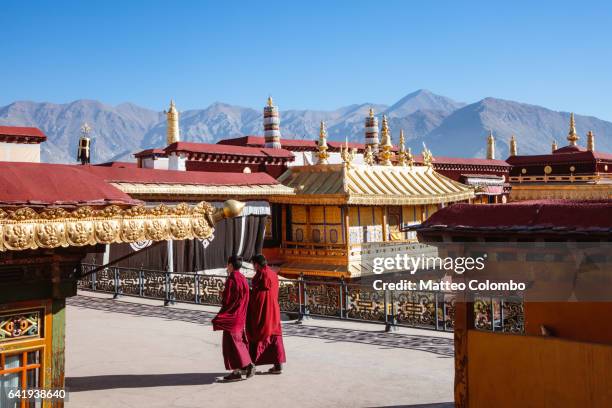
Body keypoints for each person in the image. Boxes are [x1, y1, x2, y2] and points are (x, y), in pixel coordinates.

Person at [212, 255, 255, 381]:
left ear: (230, 265)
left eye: (228, 264)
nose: (227, 267)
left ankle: (247, 366)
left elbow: (228, 300)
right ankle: (239, 369)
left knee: (232, 344)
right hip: (241, 315)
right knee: (238, 342)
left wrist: (222, 294)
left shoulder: (231, 280)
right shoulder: (243, 278)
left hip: (232, 317)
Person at [247, 254, 286, 374]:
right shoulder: (272, 274)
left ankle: (251, 364)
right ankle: (278, 365)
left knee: (257, 334)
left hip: (263, 311)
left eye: (253, 265)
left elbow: (258, 297)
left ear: (257, 265)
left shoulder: (261, 275)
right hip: (274, 309)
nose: (253, 267)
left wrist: (248, 293)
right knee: (274, 336)